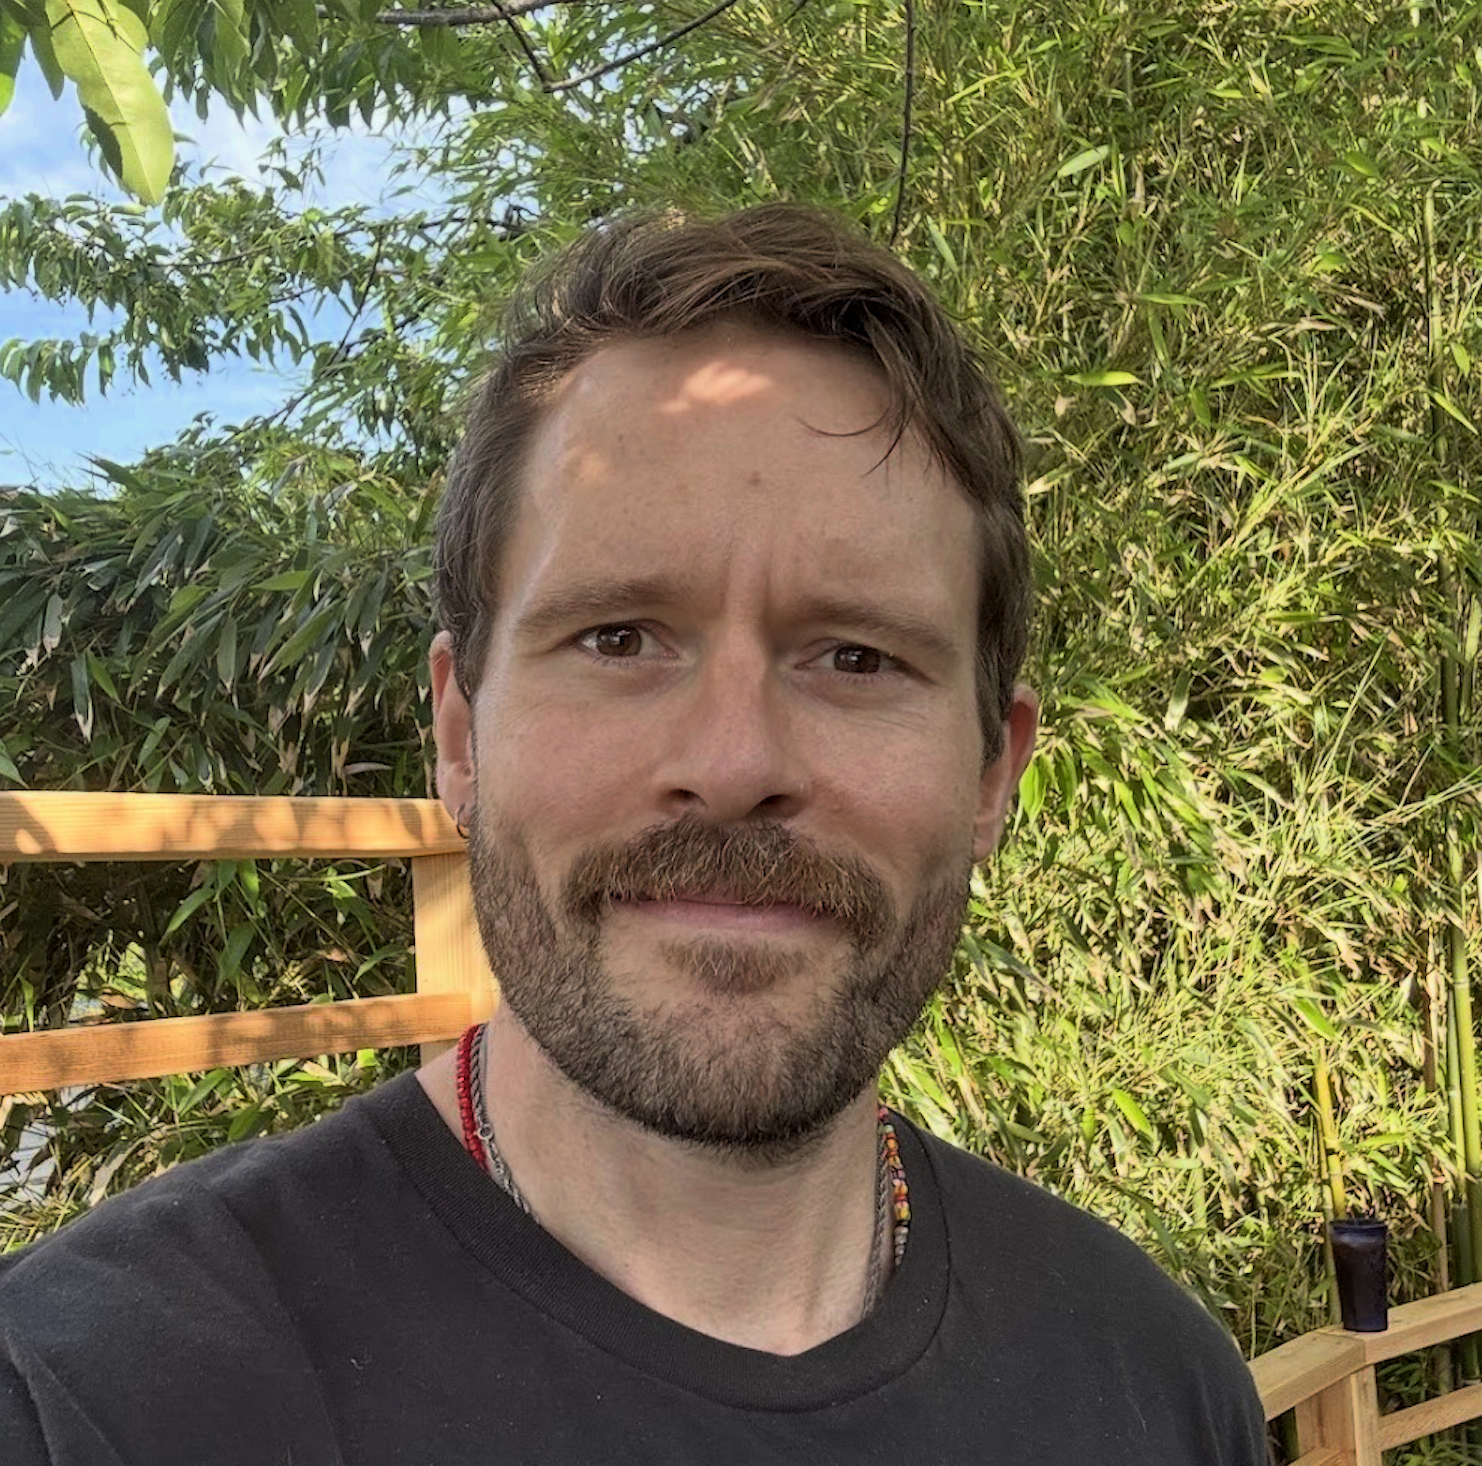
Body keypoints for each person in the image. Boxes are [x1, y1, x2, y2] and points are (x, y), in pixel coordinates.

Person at [0, 204, 1269, 1463]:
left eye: (855, 656)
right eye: (618, 638)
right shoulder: (91, 1402)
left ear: (993, 772)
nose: (733, 764)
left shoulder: (1159, 1387)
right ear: (460, 733)